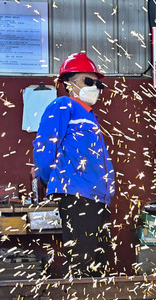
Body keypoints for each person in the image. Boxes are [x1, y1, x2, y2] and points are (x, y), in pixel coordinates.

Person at [32, 52, 114, 277]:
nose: (95, 87)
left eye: (97, 84)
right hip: (78, 195)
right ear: (69, 84)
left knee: (98, 259)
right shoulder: (62, 105)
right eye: (88, 81)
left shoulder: (90, 117)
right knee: (82, 258)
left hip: (97, 197)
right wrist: (55, 180)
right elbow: (44, 149)